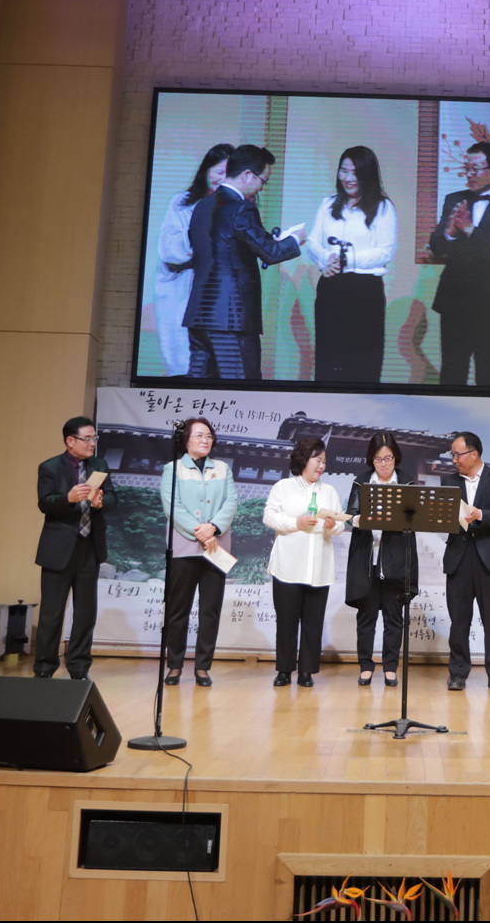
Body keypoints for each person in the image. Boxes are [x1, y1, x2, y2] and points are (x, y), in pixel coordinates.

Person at [184, 144, 305, 381]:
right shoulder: (241, 208)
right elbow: (270, 253)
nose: (262, 187)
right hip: (231, 318)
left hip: (199, 316)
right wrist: (295, 239)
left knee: (197, 388)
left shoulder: (202, 205)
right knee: (241, 388)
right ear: (248, 174)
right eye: (263, 180)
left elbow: (221, 249)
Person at [428, 142, 490, 388]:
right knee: (451, 373)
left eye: (475, 169)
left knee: (489, 375)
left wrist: (469, 229)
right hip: (455, 301)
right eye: (467, 169)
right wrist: (450, 232)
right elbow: (437, 246)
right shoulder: (454, 200)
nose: (469, 175)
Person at [305, 145, 398, 383]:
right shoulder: (328, 204)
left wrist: (348, 260)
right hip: (331, 285)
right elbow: (313, 241)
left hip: (364, 290)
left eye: (355, 172)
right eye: (344, 171)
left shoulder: (383, 208)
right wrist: (326, 259)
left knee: (362, 359)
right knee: (329, 356)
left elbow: (385, 251)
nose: (348, 178)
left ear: (368, 174)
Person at [159, 415, 236, 687]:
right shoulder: (173, 468)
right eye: (199, 435)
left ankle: (203, 667)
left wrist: (212, 528)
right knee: (178, 610)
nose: (206, 440)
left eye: (209, 436)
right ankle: (174, 665)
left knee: (210, 611)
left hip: (216, 547)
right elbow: (172, 506)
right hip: (184, 547)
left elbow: (231, 503)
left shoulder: (223, 468)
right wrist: (199, 532)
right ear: (186, 440)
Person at [263, 435, 345, 687]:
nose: (322, 465)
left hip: (318, 568)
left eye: (324, 461)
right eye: (317, 460)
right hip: (288, 565)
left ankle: (307, 670)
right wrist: (295, 523)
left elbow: (340, 526)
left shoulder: (329, 491)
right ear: (303, 460)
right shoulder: (283, 487)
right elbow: (269, 517)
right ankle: (284, 670)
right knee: (286, 622)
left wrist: (332, 526)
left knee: (313, 623)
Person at [33, 416, 110, 679]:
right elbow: (44, 503)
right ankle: (45, 668)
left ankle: (78, 668)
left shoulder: (100, 465)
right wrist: (67, 498)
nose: (92, 443)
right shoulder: (50, 467)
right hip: (58, 549)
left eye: (94, 438)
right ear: (70, 441)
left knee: (86, 613)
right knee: (52, 613)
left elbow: (113, 498)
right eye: (87, 439)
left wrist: (100, 503)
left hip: (90, 547)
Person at [345, 431, 418, 687]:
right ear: (371, 460)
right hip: (367, 558)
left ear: (395, 457)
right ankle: (366, 666)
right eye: (378, 459)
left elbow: (415, 518)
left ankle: (390, 667)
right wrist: (358, 519)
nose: (383, 464)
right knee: (366, 618)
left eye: (388, 458)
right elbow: (350, 514)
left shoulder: (407, 482)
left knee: (393, 617)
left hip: (395, 559)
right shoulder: (362, 481)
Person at [442, 431, 490, 690]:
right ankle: (458, 674)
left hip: (489, 558)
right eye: (452, 455)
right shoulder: (448, 481)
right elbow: (443, 517)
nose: (454, 460)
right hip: (459, 557)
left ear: (474, 454)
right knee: (459, 620)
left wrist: (479, 514)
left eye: (457, 454)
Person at [154, 142, 233, 377]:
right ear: (206, 170)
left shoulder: (235, 207)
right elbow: (169, 249)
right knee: (183, 360)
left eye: (229, 174)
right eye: (219, 172)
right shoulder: (182, 202)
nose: (222, 179)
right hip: (183, 287)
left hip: (217, 291)